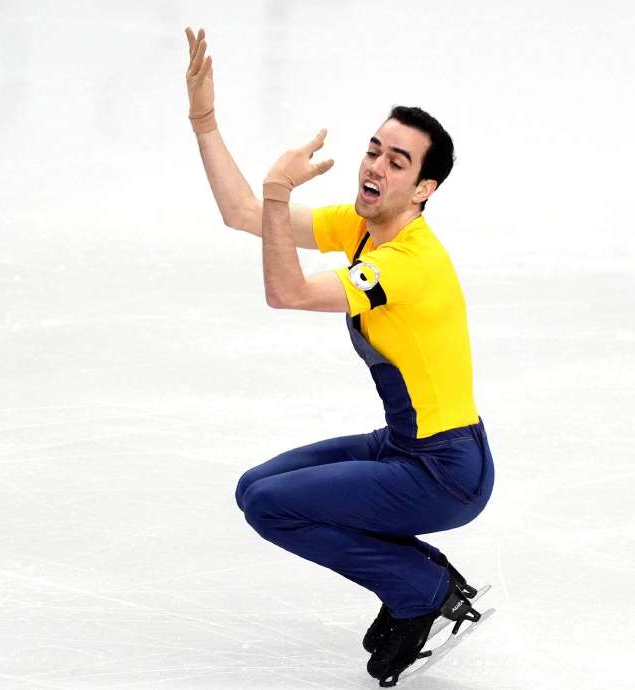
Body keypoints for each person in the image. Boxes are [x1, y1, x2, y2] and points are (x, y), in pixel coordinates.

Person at [184, 27, 495, 685]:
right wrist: (204, 120)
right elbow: (244, 213)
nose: (375, 167)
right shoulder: (362, 227)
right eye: (374, 150)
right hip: (407, 446)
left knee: (275, 507)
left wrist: (277, 191)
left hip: (444, 470)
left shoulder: (408, 264)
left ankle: (423, 590)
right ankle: (419, 582)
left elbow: (287, 291)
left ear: (424, 189)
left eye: (397, 162)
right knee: (256, 491)